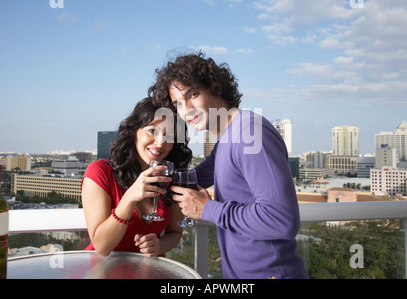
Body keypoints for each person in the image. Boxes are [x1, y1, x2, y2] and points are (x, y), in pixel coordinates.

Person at [149, 52, 308, 279]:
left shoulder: (249, 133)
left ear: (216, 88)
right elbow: (202, 174)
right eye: (178, 104)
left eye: (193, 94)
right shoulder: (228, 136)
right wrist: (155, 179)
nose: (186, 110)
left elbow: (282, 220)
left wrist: (207, 209)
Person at [81, 97, 192, 257]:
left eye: (169, 136)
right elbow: (102, 247)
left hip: (148, 271)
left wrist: (159, 246)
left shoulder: (170, 177)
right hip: (104, 271)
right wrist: (129, 198)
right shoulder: (100, 172)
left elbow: (175, 233)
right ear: (134, 131)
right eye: (152, 131)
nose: (161, 142)